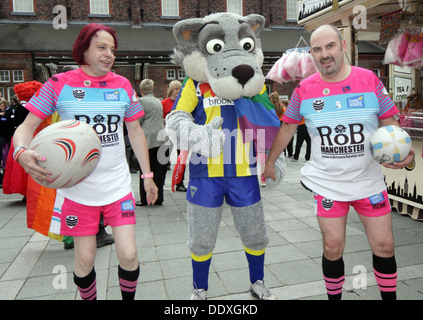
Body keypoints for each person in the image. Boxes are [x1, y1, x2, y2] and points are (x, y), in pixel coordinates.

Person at [263, 24, 415, 300]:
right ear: (312, 54)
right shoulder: (304, 90)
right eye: (317, 49)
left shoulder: (369, 80)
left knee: (385, 245)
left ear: (342, 45)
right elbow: (287, 128)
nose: (325, 54)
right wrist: (270, 163)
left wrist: (405, 153)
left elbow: (390, 124)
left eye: (330, 46)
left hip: (368, 182)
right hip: (328, 183)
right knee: (333, 248)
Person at [12, 23, 158, 300]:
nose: (109, 55)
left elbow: (135, 132)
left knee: (129, 254)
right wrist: (21, 152)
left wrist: (148, 177)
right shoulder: (59, 84)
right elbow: (26, 127)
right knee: (84, 260)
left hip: (117, 184)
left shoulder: (123, 85)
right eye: (101, 47)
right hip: (77, 190)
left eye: (112, 50)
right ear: (84, 49)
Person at [137, 79, 167, 206]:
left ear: (141, 90)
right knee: (158, 170)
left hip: (148, 140)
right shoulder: (158, 101)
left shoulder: (141, 101)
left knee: (145, 170)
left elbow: (138, 121)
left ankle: (145, 199)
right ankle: (158, 198)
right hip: (161, 138)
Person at [161, 80, 186, 191]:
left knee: (182, 159)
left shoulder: (183, 102)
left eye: (179, 89)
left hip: (181, 134)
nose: (178, 91)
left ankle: (180, 183)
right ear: (171, 90)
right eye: (176, 89)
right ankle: (160, 182)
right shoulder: (164, 103)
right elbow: (161, 119)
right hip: (168, 134)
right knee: (163, 159)